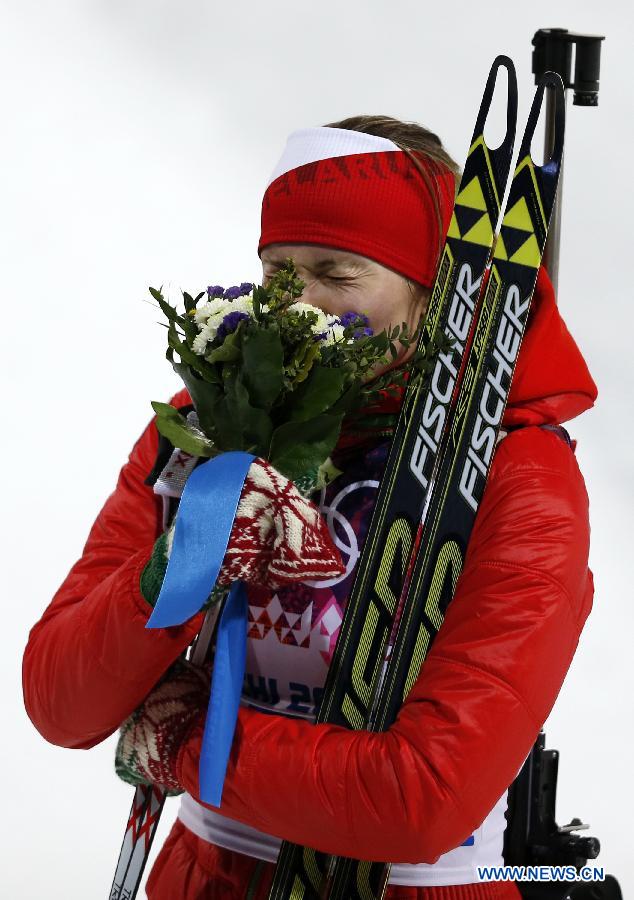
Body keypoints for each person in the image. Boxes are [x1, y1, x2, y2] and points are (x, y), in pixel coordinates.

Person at [22, 115, 598, 899]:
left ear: (433, 297)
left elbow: (422, 798)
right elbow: (59, 702)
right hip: (206, 875)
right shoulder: (202, 427)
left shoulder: (520, 475)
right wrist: (176, 567)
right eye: (278, 273)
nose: (299, 304)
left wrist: (190, 744)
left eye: (336, 270)